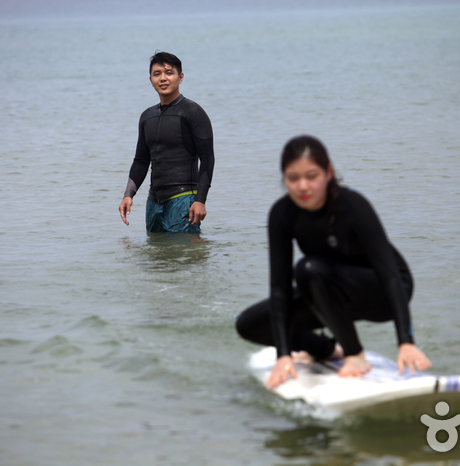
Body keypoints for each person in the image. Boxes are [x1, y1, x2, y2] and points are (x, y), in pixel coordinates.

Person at [235, 135, 431, 388]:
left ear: (328, 173)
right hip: (326, 290)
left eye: (312, 176)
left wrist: (406, 341)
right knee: (249, 324)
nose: (303, 186)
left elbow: (390, 274)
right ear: (284, 178)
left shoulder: (353, 205)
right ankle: (325, 350)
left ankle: (355, 355)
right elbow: (279, 288)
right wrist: (283, 355)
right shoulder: (282, 214)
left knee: (307, 269)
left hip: (382, 292)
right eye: (293, 178)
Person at [118, 51, 215, 234]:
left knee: (184, 256)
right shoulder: (147, 117)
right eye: (157, 74)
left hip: (184, 199)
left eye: (169, 73)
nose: (163, 78)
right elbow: (141, 160)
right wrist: (128, 195)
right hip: (153, 203)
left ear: (180, 77)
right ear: (150, 79)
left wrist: (200, 200)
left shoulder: (193, 112)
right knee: (157, 258)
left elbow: (207, 158)